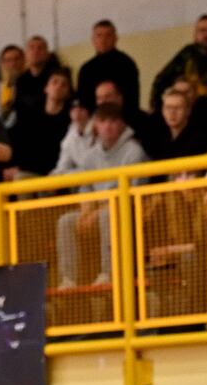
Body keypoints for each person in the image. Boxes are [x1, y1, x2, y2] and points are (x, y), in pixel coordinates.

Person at [50, 104, 148, 288]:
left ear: (122, 125)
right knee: (66, 221)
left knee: (107, 216)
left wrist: (96, 213)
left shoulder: (134, 152)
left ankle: (108, 274)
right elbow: (86, 189)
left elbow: (130, 196)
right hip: (97, 212)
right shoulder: (90, 155)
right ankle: (68, 279)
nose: (108, 126)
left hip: (127, 213)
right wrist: (86, 212)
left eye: (113, 121)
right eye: (103, 121)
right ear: (96, 124)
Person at [76, 19, 140, 114]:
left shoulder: (126, 64)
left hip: (122, 118)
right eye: (99, 35)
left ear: (115, 38)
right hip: (94, 119)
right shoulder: (86, 69)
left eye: (108, 35)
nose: (103, 40)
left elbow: (132, 99)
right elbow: (83, 102)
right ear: (93, 40)